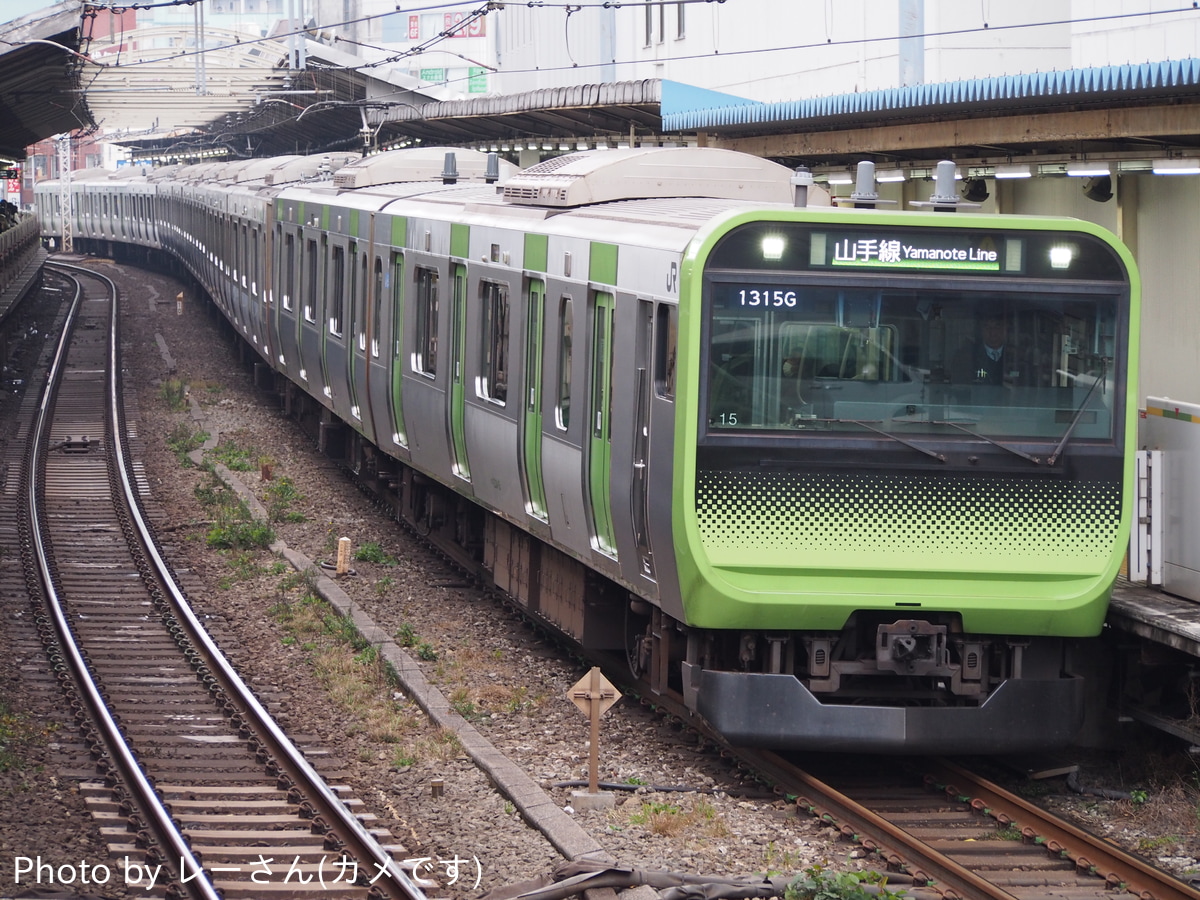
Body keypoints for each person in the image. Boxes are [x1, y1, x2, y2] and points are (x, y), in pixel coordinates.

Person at [952, 315, 1013, 385]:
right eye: (987, 327)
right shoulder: (964, 358)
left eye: (997, 326)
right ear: (980, 329)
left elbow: (1021, 379)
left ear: (1006, 328)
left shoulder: (1017, 357)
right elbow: (960, 387)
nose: (992, 332)